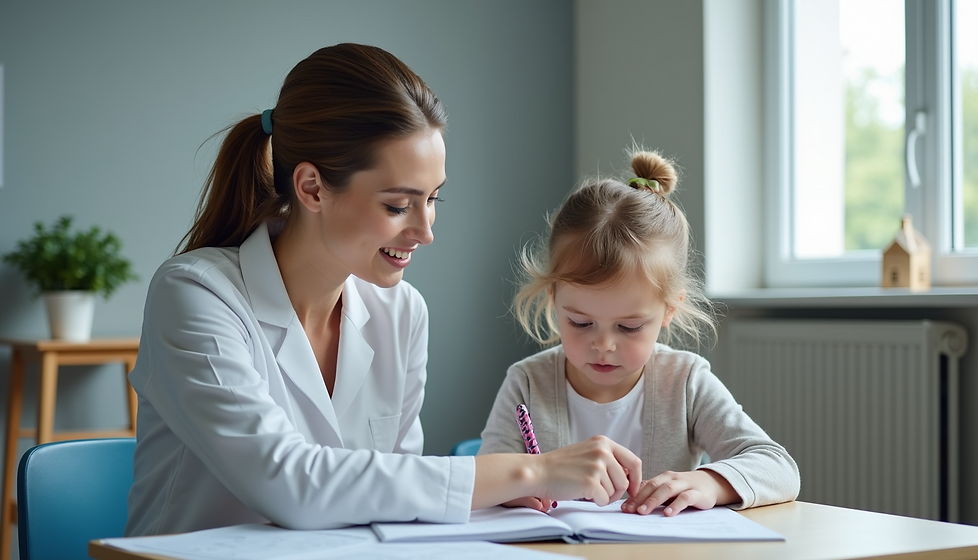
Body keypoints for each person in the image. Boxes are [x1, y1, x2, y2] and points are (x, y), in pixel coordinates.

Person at [125, 43, 643, 537]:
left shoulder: (401, 311)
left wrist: (485, 494)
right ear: (312, 188)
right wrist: (531, 472)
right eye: (397, 205)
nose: (425, 231)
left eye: (433, 199)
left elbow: (392, 493)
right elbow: (288, 483)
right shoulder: (195, 295)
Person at [478, 148, 800, 517]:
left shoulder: (685, 382)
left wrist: (709, 483)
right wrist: (521, 486)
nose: (603, 344)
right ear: (553, 298)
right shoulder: (527, 383)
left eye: (629, 327)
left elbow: (778, 467)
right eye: (580, 322)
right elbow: (481, 481)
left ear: (669, 310)